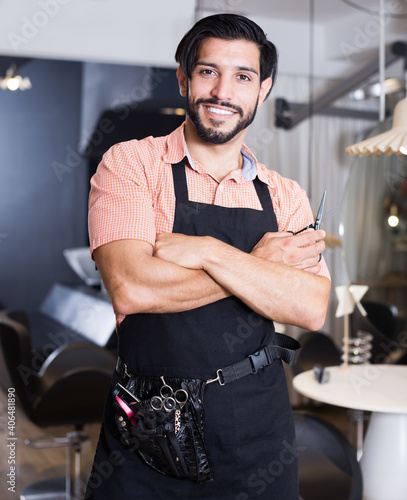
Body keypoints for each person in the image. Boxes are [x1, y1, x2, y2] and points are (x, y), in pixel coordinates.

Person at [85, 13, 331, 500]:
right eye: (207, 71)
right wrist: (260, 264)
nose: (223, 91)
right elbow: (132, 287)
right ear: (183, 78)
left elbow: (310, 308)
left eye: (243, 76)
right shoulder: (132, 164)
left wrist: (206, 252)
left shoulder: (285, 196)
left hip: (259, 431)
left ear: (263, 90)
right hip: (149, 427)